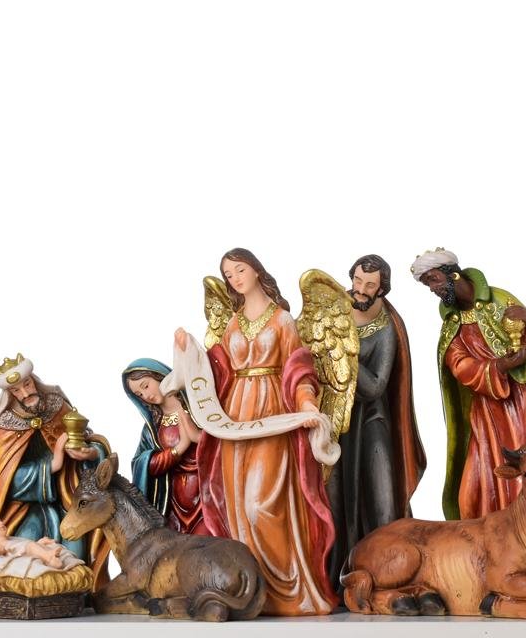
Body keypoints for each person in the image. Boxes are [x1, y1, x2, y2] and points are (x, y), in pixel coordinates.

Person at [173, 248, 338, 616]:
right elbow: (216, 371)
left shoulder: (282, 320)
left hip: (271, 416)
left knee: (260, 505)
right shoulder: (233, 323)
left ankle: (288, 590)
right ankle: (249, 588)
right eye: (228, 274)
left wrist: (307, 404)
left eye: (239, 270)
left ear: (256, 270)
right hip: (235, 419)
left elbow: (299, 368)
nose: (234, 278)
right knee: (237, 507)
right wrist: (189, 350)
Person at [411, 248, 526, 560]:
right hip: (488, 412)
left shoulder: (500, 299)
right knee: (480, 481)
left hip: (525, 403)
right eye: (427, 284)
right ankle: (489, 556)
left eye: (434, 280)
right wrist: (501, 366)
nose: (433, 289)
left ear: (453, 273)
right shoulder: (452, 325)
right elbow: (459, 364)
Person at [326, 255, 426, 593]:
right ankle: (335, 578)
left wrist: (344, 353)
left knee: (382, 497)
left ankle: (390, 573)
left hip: (372, 419)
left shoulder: (385, 327)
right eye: (357, 281)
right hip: (334, 420)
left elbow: (376, 387)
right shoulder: (332, 310)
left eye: (370, 285)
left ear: (382, 288)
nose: (361, 289)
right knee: (332, 501)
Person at [0, 353, 110, 582]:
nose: (25, 393)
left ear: (33, 380)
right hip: (24, 508)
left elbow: (88, 440)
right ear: (9, 394)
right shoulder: (3, 426)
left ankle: (75, 594)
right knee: (25, 551)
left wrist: (90, 454)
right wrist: (53, 464)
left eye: (27, 384)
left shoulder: (57, 406)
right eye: (16, 390)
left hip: (67, 498)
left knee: (74, 553)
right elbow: (3, 482)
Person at [122, 359, 210, 536]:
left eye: (146, 386)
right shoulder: (153, 428)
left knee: (207, 543)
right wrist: (179, 449)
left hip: (206, 495)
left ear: (160, 376)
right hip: (172, 502)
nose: (146, 396)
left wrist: (197, 437)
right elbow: (142, 464)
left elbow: (223, 445)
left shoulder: (201, 408)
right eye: (139, 394)